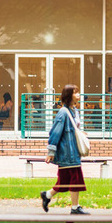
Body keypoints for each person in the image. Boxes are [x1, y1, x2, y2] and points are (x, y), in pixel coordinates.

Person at [40, 84, 88, 215]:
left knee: (64, 181)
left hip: (73, 152)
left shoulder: (75, 110)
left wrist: (80, 133)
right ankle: (75, 207)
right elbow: (55, 132)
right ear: (69, 95)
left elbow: (72, 129)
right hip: (67, 153)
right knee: (75, 180)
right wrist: (51, 152)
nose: (78, 95)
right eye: (75, 92)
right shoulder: (63, 113)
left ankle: (47, 195)